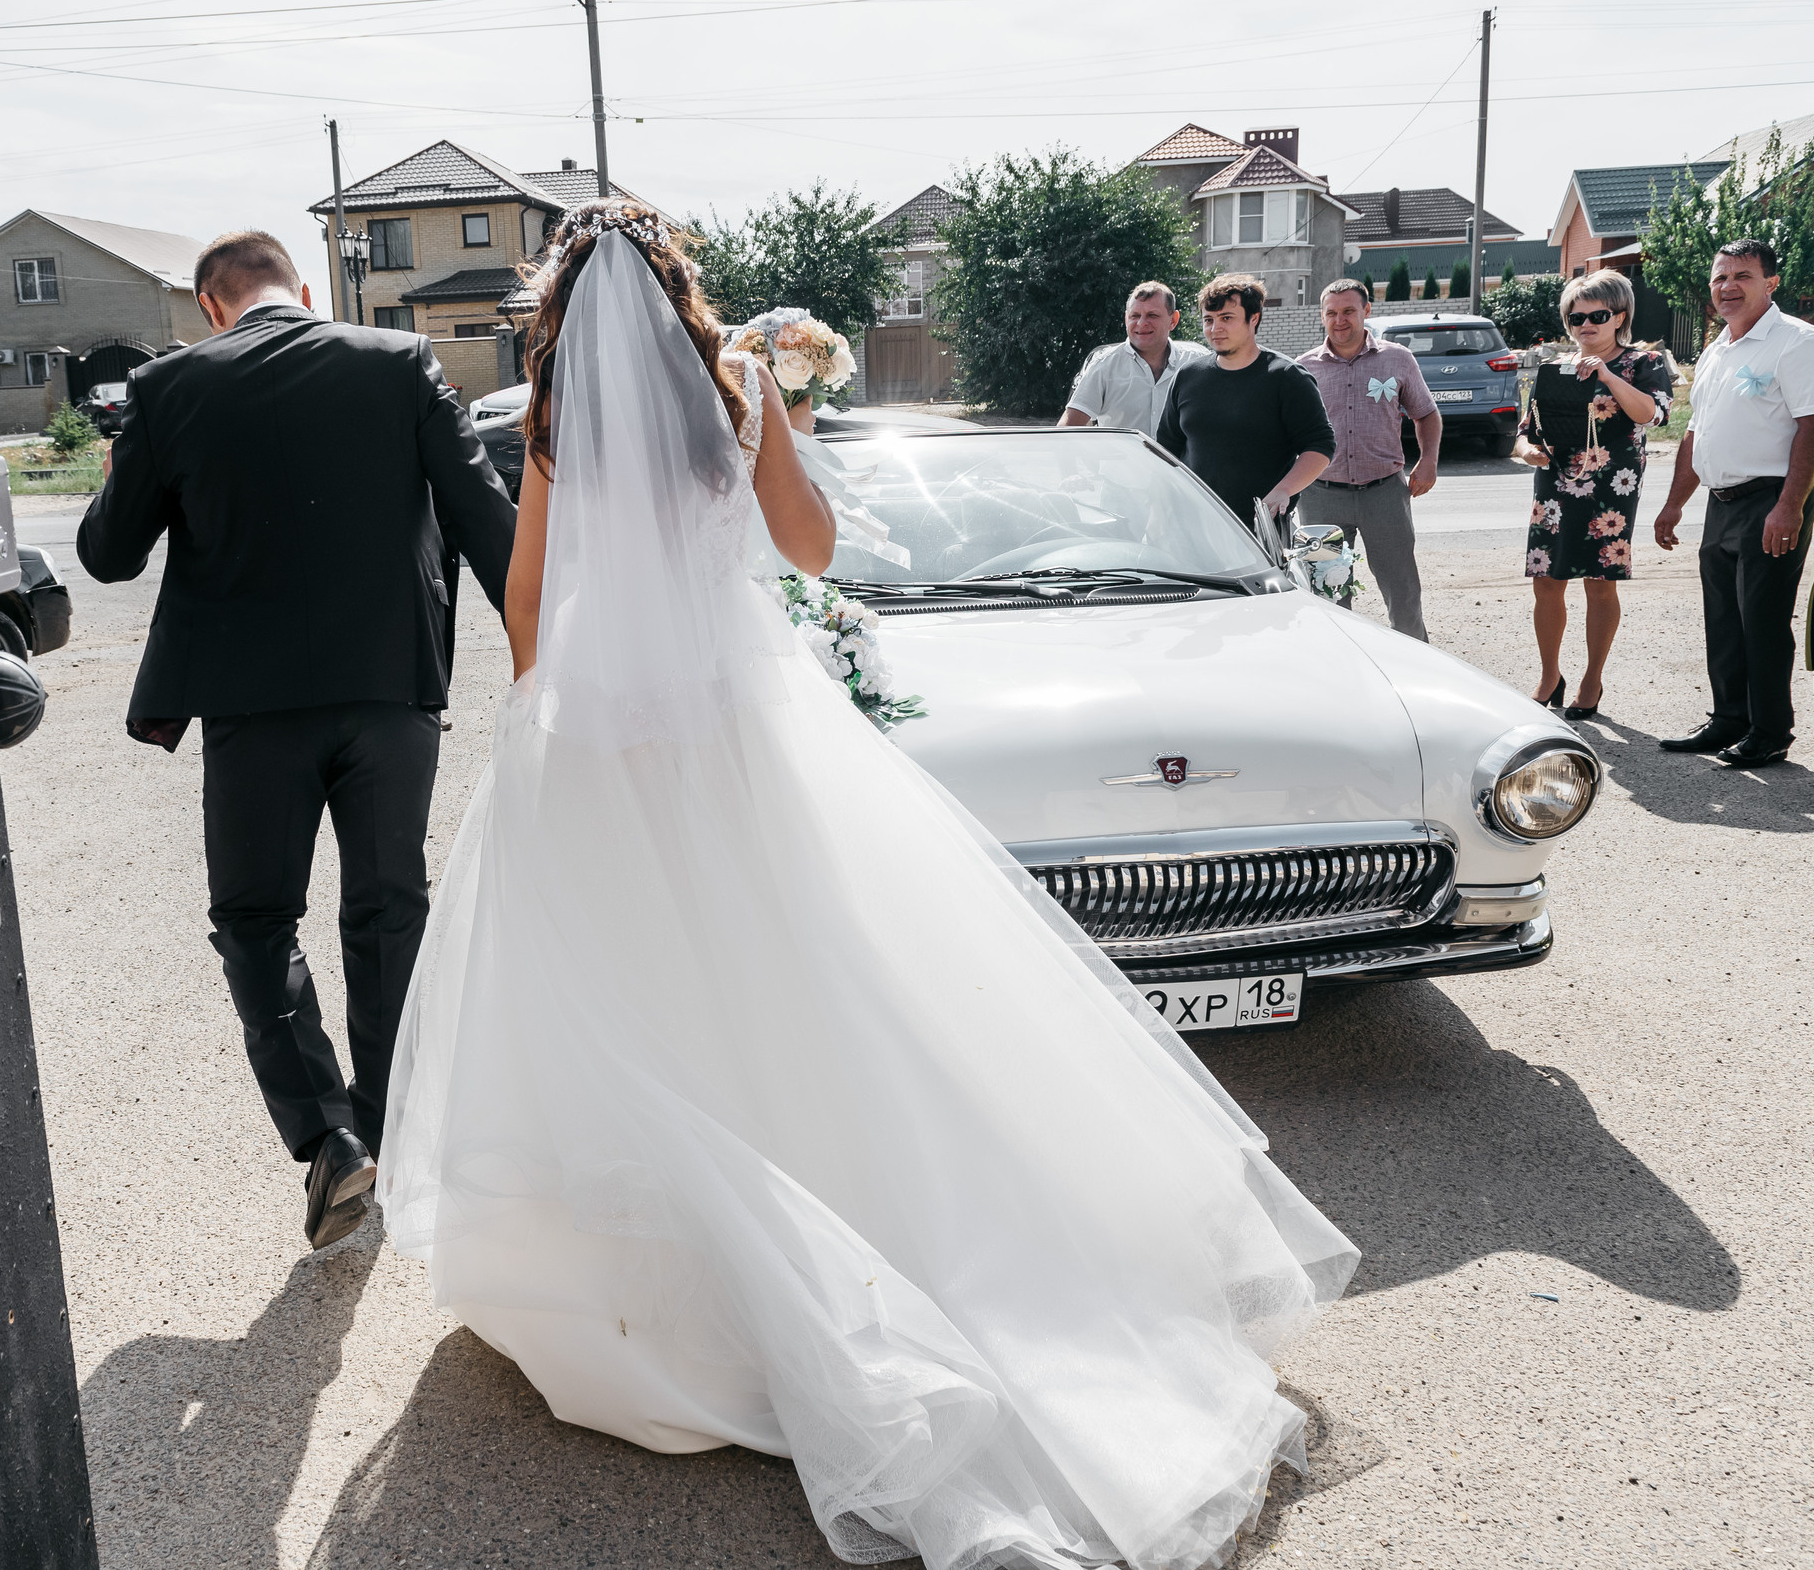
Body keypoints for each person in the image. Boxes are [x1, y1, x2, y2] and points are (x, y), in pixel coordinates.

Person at [381, 203, 1355, 1570]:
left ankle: (656, 1295)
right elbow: (815, 549)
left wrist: (540, 713)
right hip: (734, 721)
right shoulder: (742, 385)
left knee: (625, 991)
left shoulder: (550, 415)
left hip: (600, 737)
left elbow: (530, 591)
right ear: (679, 285)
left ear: (563, 306)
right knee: (796, 972)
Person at [77, 228, 516, 1252]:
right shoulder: (398, 361)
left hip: (251, 709)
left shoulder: (172, 385)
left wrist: (129, 454)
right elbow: (487, 526)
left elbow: (105, 554)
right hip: (391, 694)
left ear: (211, 307)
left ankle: (326, 1136)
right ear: (304, 288)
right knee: (386, 909)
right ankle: (391, 1128)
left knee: (255, 919)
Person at [1652, 239, 1814, 765]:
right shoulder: (1718, 349)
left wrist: (1790, 507)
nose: (1728, 287)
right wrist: (1674, 504)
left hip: (1772, 498)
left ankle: (1770, 730)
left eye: (1743, 276)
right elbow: (1697, 432)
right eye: (1719, 278)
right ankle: (1728, 718)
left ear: (1771, 283)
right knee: (1724, 619)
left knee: (1762, 618)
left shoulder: (1799, 343)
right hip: (1723, 501)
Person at [1516, 269, 1674, 720]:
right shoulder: (1555, 368)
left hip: (1610, 491)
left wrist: (1606, 374)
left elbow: (1651, 414)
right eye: (1575, 317)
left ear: (1619, 315)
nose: (1585, 325)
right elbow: (1527, 432)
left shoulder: (1644, 364)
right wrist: (1529, 452)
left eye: (1597, 315)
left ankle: (1592, 679)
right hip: (1555, 485)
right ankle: (1550, 676)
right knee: (1546, 584)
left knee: (1600, 585)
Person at [1296, 278, 1442, 639]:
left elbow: (1426, 414)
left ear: (1367, 311)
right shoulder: (1303, 368)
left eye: (1348, 311)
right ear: (1321, 316)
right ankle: (1338, 667)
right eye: (1331, 313)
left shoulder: (1397, 358)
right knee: (1327, 590)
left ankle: (1415, 665)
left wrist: (1428, 462)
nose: (1340, 320)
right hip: (1320, 496)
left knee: (1402, 590)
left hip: (1384, 494)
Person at [1155, 273, 1334, 528]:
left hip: (1260, 529)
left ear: (1254, 319)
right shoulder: (1188, 376)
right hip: (1193, 523)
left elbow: (1320, 445)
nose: (1215, 329)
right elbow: (1166, 449)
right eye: (1209, 320)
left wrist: (1285, 490)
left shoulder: (1286, 377)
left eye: (1227, 318)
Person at [1058, 279, 1207, 434]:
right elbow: (1066, 430)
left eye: (1152, 315)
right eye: (1135, 315)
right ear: (1125, 318)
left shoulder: (1197, 363)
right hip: (1121, 459)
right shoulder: (1103, 366)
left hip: (1177, 460)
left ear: (1173, 320)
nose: (1142, 323)